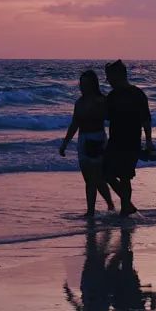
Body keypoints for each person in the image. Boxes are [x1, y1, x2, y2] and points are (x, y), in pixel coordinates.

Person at [60, 70, 115, 217]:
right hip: (83, 140)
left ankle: (103, 206)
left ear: (93, 85)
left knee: (96, 178)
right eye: (81, 83)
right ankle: (93, 209)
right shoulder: (79, 102)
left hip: (97, 139)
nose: (82, 87)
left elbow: (112, 118)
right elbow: (74, 124)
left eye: (86, 84)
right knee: (88, 178)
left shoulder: (101, 101)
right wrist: (65, 143)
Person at [103, 60, 155, 217]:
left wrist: (149, 142)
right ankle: (128, 205)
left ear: (119, 76)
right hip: (114, 140)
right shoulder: (112, 96)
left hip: (131, 141)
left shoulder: (137, 94)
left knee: (125, 177)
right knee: (107, 174)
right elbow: (106, 116)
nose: (108, 81)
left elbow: (146, 119)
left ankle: (125, 208)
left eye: (110, 77)